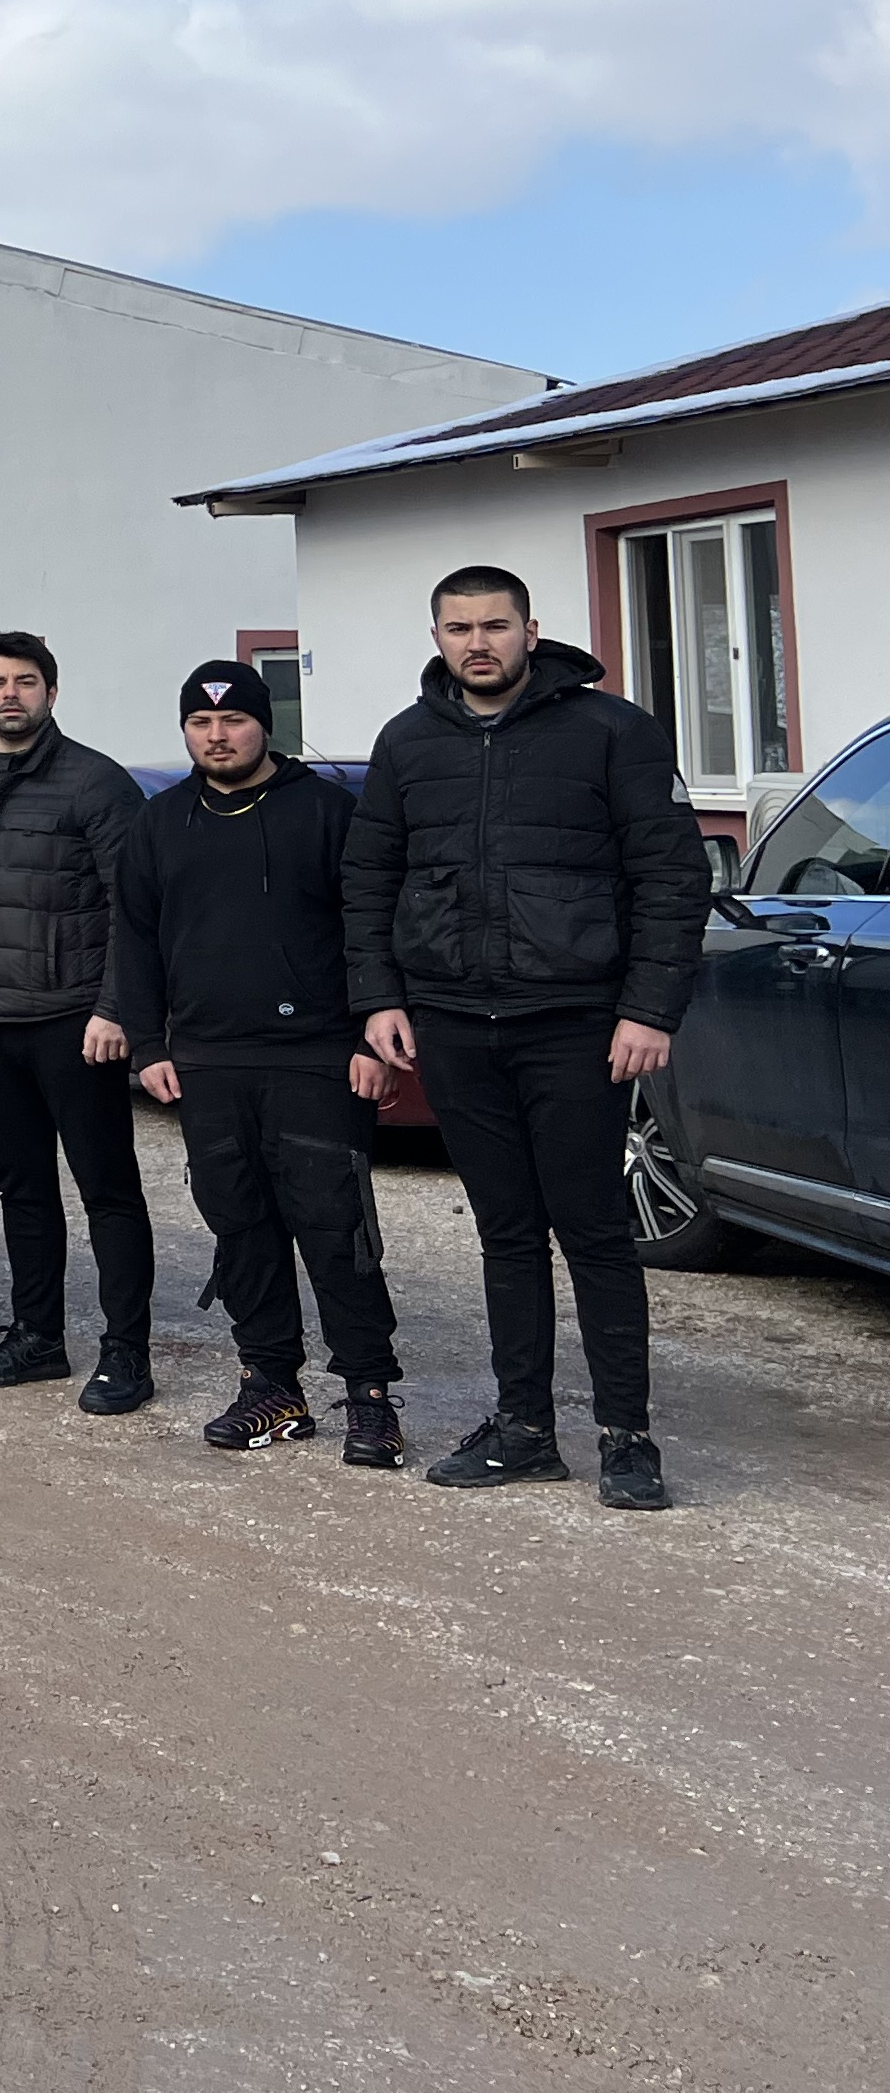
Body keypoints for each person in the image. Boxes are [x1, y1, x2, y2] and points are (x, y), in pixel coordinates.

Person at [344, 568, 706, 1509]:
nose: (479, 643)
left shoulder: (613, 731)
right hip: (454, 1023)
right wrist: (378, 998)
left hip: (577, 1024)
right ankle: (524, 1431)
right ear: (436, 636)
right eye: (459, 627)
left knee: (594, 1231)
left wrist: (649, 1009)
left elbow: (671, 877)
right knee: (506, 1234)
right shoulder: (407, 742)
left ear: (530, 631)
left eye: (495, 625)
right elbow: (369, 878)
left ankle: (626, 1438)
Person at [114, 658, 407, 1467]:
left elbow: (372, 928)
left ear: (263, 725)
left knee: (335, 1230)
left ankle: (370, 1397)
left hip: (318, 1058)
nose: (218, 736)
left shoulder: (328, 812)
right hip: (207, 1060)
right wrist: (148, 1045)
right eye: (201, 723)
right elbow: (133, 939)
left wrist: (369, 1037)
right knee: (240, 1229)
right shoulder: (160, 822)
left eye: (234, 720)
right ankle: (272, 1389)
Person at [0, 631, 154, 1414]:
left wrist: (114, 1008)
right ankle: (38, 1337)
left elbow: (136, 908)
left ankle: (126, 1351)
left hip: (75, 1023)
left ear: (51, 693)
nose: (11, 695)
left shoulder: (96, 782)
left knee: (108, 1190)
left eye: (26, 682)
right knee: (21, 1188)